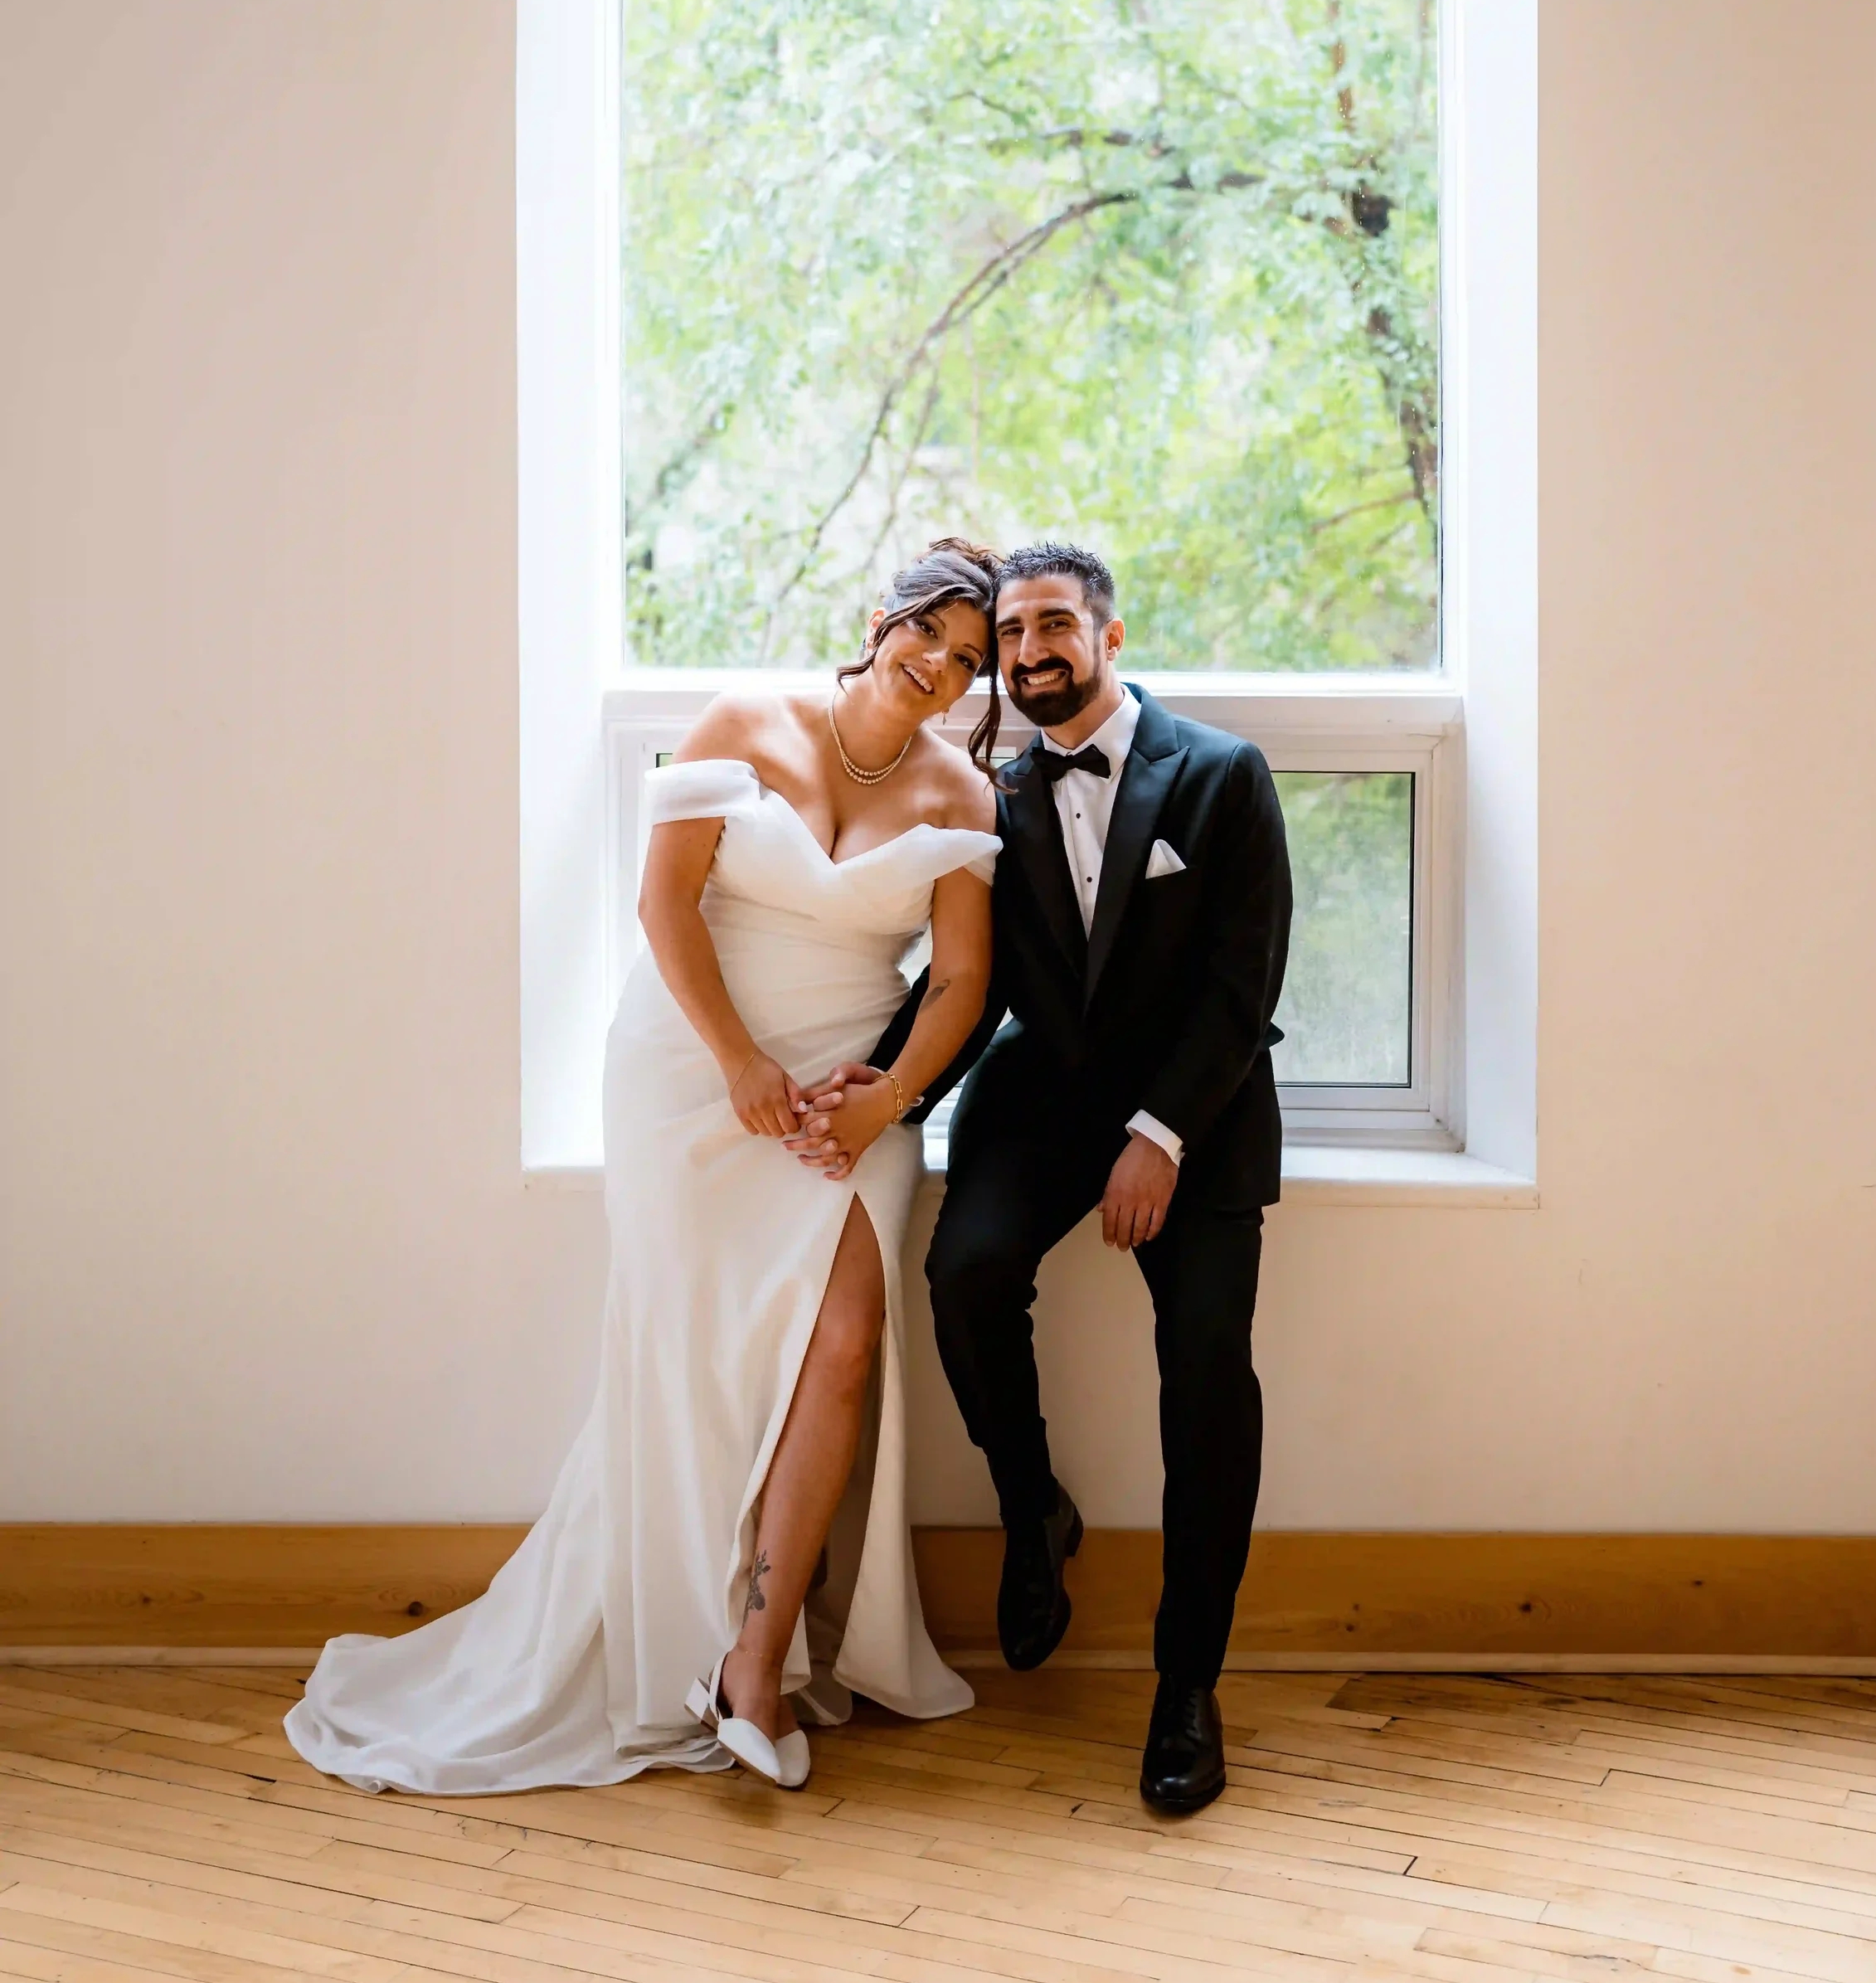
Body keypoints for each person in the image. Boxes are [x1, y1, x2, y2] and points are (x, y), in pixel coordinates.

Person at [284, 539, 1003, 1796]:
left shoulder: (962, 796)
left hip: (849, 1098)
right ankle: (672, 1625)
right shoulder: (743, 718)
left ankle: (755, 1661)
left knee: (843, 1342)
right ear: (878, 618)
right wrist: (735, 1061)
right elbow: (664, 905)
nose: (940, 667)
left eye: (967, 659)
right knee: (685, 1355)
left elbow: (959, 980)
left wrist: (887, 1098)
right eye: (927, 635)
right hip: (688, 1068)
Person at [814, 537, 1290, 1815]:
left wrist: (1162, 1136)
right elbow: (970, 991)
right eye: (1008, 638)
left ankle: (1188, 1686)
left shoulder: (1225, 776)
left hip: (1200, 1110)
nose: (1027, 655)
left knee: (1204, 1380)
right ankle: (1035, 1511)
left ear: (1110, 635)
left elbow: (1245, 987)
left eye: (1049, 627)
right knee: (963, 1276)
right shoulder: (1000, 800)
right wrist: (875, 1086)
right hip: (1046, 1099)